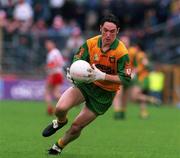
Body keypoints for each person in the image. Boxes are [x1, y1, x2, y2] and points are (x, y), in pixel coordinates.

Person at [42, 13, 132, 155]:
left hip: (104, 94)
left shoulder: (121, 52)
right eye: (105, 30)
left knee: (76, 127)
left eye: (112, 31)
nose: (108, 34)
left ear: (118, 31)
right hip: (87, 84)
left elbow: (126, 78)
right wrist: (72, 71)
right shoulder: (91, 43)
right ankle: (60, 121)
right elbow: (77, 58)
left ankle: (58, 146)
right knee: (59, 108)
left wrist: (103, 76)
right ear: (100, 28)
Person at [113, 39, 160, 120]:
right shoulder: (119, 51)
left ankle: (151, 100)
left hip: (140, 78)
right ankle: (143, 112)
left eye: (126, 42)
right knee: (126, 94)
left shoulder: (137, 53)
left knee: (133, 96)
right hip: (132, 76)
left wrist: (135, 71)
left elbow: (145, 63)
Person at [44, 39, 65, 115]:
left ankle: (52, 108)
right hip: (59, 73)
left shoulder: (52, 53)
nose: (47, 46)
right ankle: (65, 105)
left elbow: (54, 63)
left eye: (48, 44)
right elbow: (62, 63)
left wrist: (48, 67)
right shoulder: (57, 52)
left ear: (53, 44)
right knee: (55, 92)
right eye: (46, 45)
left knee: (48, 92)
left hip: (54, 73)